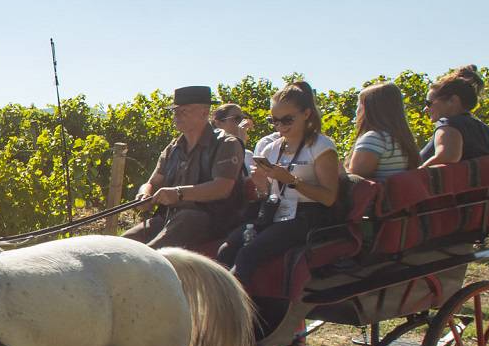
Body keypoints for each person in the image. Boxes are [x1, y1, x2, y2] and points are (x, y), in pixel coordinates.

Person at [219, 84, 342, 288]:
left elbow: (329, 198)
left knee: (248, 254)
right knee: (226, 249)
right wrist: (260, 185)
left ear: (306, 114)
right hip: (275, 211)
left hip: (308, 215)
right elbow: (266, 193)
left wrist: (292, 181)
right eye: (274, 120)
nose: (280, 126)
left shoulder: (321, 147)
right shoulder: (271, 149)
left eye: (287, 119)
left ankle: (232, 307)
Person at [124, 85, 245, 250]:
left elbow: (222, 188)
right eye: (175, 112)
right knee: (122, 245)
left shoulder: (226, 144)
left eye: (184, 111)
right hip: (169, 217)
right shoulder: (173, 147)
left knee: (150, 253)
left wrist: (179, 193)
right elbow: (153, 181)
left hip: (209, 220)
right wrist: (145, 193)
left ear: (204, 112)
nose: (177, 117)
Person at [417, 65, 489, 167]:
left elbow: (448, 156)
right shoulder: (486, 131)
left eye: (429, 103)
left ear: (453, 101)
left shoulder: (447, 124)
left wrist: (417, 173)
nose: (425, 109)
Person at [345, 81, 421, 180]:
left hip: (381, 195)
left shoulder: (374, 138)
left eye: (359, 105)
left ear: (368, 109)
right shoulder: (401, 138)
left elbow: (354, 179)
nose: (356, 111)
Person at [213, 103, 255, 174]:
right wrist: (240, 142)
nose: (242, 123)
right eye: (237, 118)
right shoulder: (212, 153)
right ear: (218, 124)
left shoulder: (249, 155)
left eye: (243, 118)